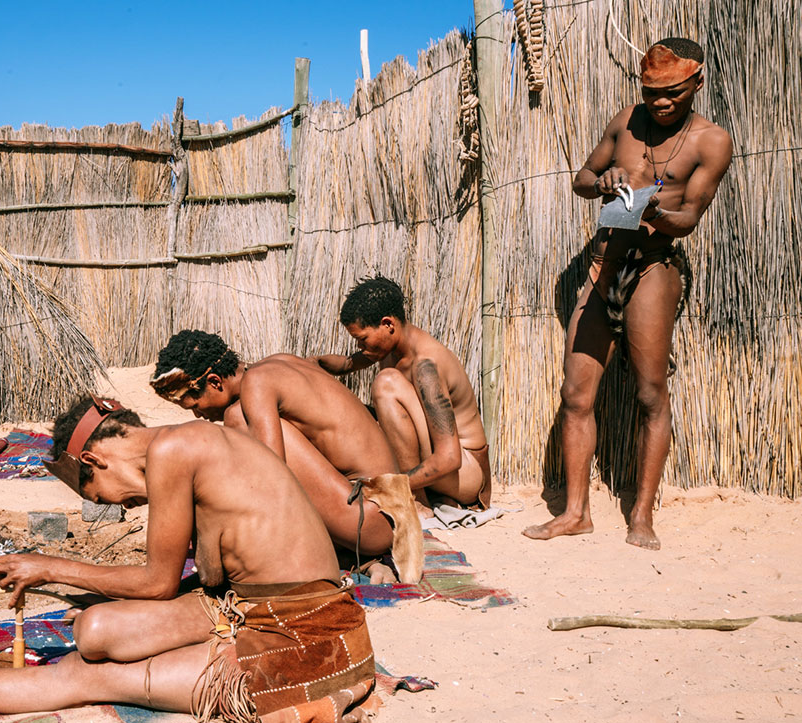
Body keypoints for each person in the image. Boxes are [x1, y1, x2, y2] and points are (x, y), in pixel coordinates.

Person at [0, 396, 383, 723]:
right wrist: (78, 590)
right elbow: (208, 577)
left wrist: (49, 567)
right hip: (252, 606)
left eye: (108, 497)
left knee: (85, 676)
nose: (127, 507)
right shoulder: (196, 441)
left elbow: (159, 583)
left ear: (94, 459)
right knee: (95, 630)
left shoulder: (173, 452)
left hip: (305, 640)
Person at [522, 38, 732, 550]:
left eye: (673, 93)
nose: (660, 102)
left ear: (697, 84)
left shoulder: (711, 142)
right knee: (576, 394)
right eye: (651, 91)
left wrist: (654, 212)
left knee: (649, 393)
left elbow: (689, 219)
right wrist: (603, 183)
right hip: (602, 263)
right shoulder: (625, 121)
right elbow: (582, 178)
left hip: (653, 266)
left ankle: (641, 514)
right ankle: (575, 513)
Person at [150, 330, 422, 582]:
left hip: (375, 519)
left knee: (238, 421)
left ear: (214, 382)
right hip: (392, 509)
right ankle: (350, 554)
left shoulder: (255, 387)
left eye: (196, 406)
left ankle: (347, 554)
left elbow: (274, 485)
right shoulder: (276, 363)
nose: (199, 415)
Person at [314, 276, 491, 516]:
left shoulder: (425, 366)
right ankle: (425, 493)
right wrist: (311, 364)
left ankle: (415, 500)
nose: (361, 348)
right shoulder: (387, 348)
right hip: (443, 466)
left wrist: (388, 487)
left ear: (388, 324)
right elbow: (346, 364)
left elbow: (450, 458)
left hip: (466, 473)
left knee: (386, 384)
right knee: (360, 413)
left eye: (362, 339)